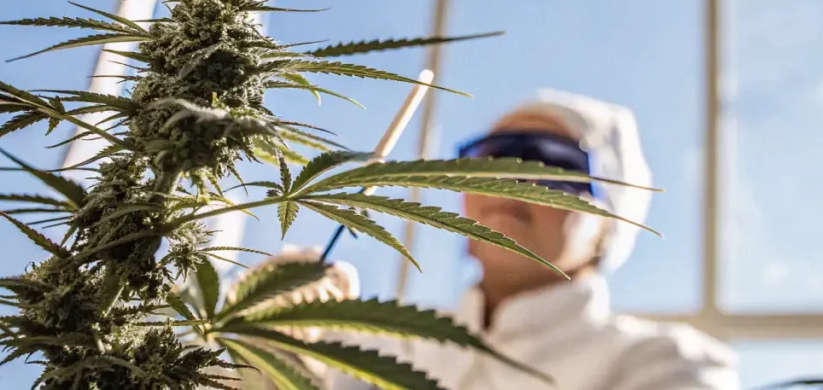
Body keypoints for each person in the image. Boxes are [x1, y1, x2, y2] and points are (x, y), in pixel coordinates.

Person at [265, 89, 740, 390]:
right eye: (486, 158)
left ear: (607, 224)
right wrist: (269, 354)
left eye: (545, 161)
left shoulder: (666, 364)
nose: (504, 178)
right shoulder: (385, 348)